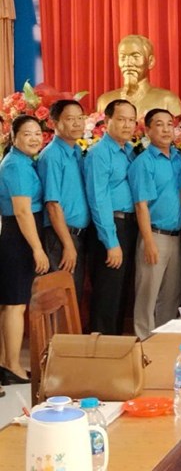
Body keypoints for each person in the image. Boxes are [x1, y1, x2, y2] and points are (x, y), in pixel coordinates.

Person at [129, 109, 181, 338]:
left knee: (171, 297)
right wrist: (149, 242)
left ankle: (164, 343)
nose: (165, 129)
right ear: (148, 130)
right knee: (147, 296)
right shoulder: (143, 163)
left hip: (178, 237)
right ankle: (144, 343)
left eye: (169, 124)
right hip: (155, 236)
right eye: (159, 125)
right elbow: (141, 206)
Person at [0, 115, 48, 384]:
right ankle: (12, 365)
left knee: (10, 304)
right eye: (27, 134)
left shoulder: (23, 162)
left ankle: (7, 363)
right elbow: (21, 211)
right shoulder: (16, 166)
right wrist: (37, 249)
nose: (34, 138)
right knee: (15, 304)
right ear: (14, 137)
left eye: (37, 134)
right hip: (19, 236)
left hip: (18, 234)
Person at [84, 99, 138, 334]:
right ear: (107, 121)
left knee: (120, 292)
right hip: (110, 226)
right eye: (121, 119)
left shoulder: (128, 151)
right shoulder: (99, 153)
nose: (127, 125)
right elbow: (99, 199)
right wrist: (111, 241)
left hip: (129, 225)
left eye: (131, 120)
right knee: (107, 293)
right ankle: (101, 351)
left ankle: (114, 348)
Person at [37, 99, 90, 304]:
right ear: (54, 123)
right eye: (70, 119)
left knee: (73, 296)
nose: (77, 123)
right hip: (61, 236)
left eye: (80, 118)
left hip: (77, 234)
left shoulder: (76, 151)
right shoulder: (51, 156)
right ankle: (58, 337)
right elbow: (52, 205)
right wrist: (68, 245)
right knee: (61, 299)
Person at [96, 34, 181, 118]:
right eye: (123, 57)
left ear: (150, 61)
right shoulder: (104, 101)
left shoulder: (168, 100)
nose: (128, 63)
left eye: (135, 57)